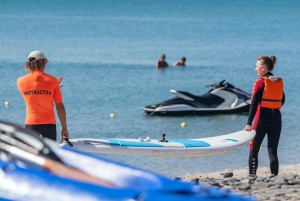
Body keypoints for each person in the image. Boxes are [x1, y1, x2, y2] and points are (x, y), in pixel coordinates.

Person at [244, 56, 285, 176]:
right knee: (272, 150)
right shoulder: (277, 81)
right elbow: (282, 100)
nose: (255, 69)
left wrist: (248, 123)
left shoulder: (260, 82)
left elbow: (254, 102)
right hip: (276, 118)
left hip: (261, 118)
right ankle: (274, 177)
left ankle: (252, 177)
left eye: (257, 67)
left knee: (254, 149)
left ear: (263, 68)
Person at [17, 50, 69, 141]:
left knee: (30, 154)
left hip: (31, 123)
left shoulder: (20, 81)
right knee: (49, 154)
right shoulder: (53, 81)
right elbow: (59, 106)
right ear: (42, 63)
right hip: (49, 124)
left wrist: (52, 87)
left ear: (29, 64)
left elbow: (35, 91)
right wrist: (64, 128)